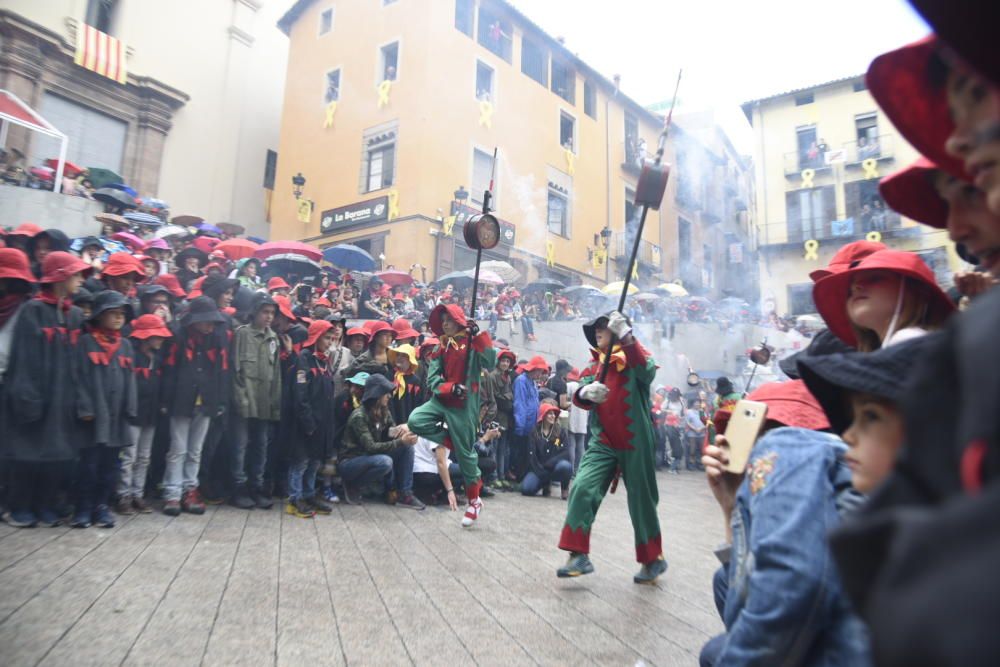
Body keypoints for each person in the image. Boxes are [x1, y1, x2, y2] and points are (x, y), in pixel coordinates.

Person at [699, 380, 869, 666]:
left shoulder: (785, 446)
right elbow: (745, 585)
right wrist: (730, 505)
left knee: (716, 653)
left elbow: (794, 582)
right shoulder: (828, 462)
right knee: (723, 581)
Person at [557, 311, 667, 584]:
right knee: (582, 486)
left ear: (618, 330)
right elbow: (580, 393)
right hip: (603, 440)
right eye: (595, 328)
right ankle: (578, 555)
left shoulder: (634, 355)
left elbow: (647, 371)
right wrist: (585, 392)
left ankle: (653, 558)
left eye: (604, 326)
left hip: (635, 441)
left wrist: (628, 337)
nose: (598, 330)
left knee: (642, 500)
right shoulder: (595, 366)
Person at [1, 251, 88, 527]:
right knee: (26, 454)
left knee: (57, 455)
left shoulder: (74, 315)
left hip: (63, 398)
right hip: (36, 397)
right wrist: (27, 398)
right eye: (75, 274)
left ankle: (45, 503)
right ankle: (19, 506)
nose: (80, 279)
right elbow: (23, 359)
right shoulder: (32, 310)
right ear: (60, 277)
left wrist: (79, 399)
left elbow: (78, 362)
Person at [407, 303, 496, 526]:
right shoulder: (440, 348)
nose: (444, 324)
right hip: (441, 400)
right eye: (442, 320)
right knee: (415, 420)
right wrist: (449, 388)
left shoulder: (473, 344)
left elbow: (490, 362)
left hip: (464, 407)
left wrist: (480, 336)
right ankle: (453, 440)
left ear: (458, 320)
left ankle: (474, 502)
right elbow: (432, 379)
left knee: (467, 458)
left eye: (449, 319)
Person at [72, 290, 138, 529]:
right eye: (113, 313)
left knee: (111, 467)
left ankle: (102, 507)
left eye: (122, 314)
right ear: (99, 316)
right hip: (93, 419)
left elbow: (131, 380)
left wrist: (131, 409)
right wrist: (85, 408)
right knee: (88, 465)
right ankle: (83, 507)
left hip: (117, 419)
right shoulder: (86, 342)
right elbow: (78, 378)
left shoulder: (126, 346)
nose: (119, 318)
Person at [161, 297, 230, 516]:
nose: (210, 325)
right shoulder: (178, 337)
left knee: (196, 450)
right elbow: (170, 371)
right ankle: (172, 493)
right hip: (181, 400)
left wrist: (220, 400)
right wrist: (165, 400)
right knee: (177, 449)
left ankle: (190, 489)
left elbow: (222, 372)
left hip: (206, 401)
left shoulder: (216, 339)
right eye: (206, 321)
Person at [813, 249, 955, 351]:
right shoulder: (903, 344)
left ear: (915, 291)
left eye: (874, 278)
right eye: (850, 289)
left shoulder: (909, 342)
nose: (856, 287)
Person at [230, 293, 282, 510]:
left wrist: (275, 404)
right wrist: (240, 400)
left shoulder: (274, 339)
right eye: (265, 312)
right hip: (245, 400)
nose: (269, 317)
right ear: (255, 312)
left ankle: (256, 486)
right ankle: (238, 487)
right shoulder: (241, 335)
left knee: (261, 446)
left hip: (264, 403)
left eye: (272, 313)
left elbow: (276, 375)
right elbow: (235, 370)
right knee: (240, 445)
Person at [339, 374, 422, 508]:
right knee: (385, 461)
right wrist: (400, 441)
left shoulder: (384, 411)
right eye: (386, 393)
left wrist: (403, 431)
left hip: (370, 457)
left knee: (407, 448)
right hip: (351, 462)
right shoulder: (359, 416)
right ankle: (352, 484)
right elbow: (371, 447)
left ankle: (404, 493)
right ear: (377, 395)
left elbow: (389, 431)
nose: (389, 396)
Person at [117, 314, 171, 515]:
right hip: (133, 413)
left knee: (144, 457)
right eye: (157, 335)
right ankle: (123, 495)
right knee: (129, 456)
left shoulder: (157, 359)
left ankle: (137, 493)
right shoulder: (131, 356)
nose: (160, 339)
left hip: (151, 414)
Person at [286, 320, 340, 518]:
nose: (329, 341)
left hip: (322, 424)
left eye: (331, 338)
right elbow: (300, 395)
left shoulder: (324, 361)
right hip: (305, 424)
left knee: (314, 462)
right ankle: (294, 499)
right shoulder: (304, 359)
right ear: (316, 337)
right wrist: (308, 423)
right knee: (300, 462)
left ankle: (309, 495)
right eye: (326, 337)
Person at [523, 403, 573, 499]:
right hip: (539, 468)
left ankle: (565, 488)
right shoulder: (534, 432)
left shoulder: (560, 431)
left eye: (554, 414)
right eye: (550, 413)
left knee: (566, 466)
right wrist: (539, 470)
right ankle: (545, 483)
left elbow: (566, 452)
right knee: (527, 489)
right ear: (543, 415)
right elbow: (531, 455)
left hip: (554, 467)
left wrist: (550, 463)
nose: (553, 416)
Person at [512, 356, 548, 482]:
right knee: (519, 453)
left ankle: (521, 478)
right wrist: (520, 426)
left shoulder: (533, 382)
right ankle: (517, 478)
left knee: (527, 453)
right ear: (533, 369)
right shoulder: (521, 381)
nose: (540, 374)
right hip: (523, 425)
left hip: (531, 425)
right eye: (539, 371)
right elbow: (520, 404)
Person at [488, 348, 516, 487]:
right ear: (498, 362)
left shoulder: (508, 377)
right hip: (495, 415)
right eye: (503, 361)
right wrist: (507, 398)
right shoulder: (493, 376)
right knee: (494, 446)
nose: (505, 364)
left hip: (505, 416)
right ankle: (494, 477)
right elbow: (495, 396)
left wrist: (506, 397)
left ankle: (502, 474)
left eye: (507, 361)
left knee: (503, 448)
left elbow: (510, 395)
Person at [386, 343, 423, 426]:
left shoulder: (415, 381)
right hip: (391, 421)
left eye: (403, 355)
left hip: (409, 422)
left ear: (410, 359)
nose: (399, 358)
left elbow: (418, 404)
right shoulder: (389, 376)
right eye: (398, 355)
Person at [684, 398, 706, 471]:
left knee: (701, 450)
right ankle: (691, 464)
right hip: (692, 434)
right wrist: (694, 429)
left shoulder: (703, 411)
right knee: (692, 450)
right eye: (696, 402)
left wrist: (701, 428)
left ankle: (700, 464)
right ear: (692, 403)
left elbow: (707, 421)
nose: (697, 404)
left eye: (698, 403)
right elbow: (687, 422)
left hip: (702, 433)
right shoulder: (689, 412)